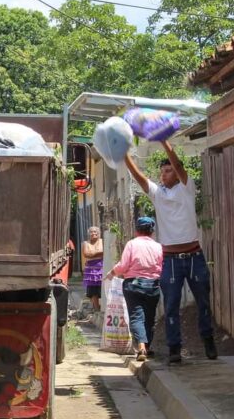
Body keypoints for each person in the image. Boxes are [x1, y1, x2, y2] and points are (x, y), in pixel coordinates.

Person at [124, 142, 217, 363]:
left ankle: (208, 339)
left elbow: (178, 164)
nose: (163, 174)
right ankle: (174, 348)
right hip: (171, 259)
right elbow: (138, 176)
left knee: (203, 301)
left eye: (168, 171)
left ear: (177, 173)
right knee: (171, 304)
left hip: (194, 256)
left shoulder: (186, 187)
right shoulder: (158, 194)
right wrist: (124, 155)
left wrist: (165, 142)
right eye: (162, 171)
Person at [105, 217, 163, 361]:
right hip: (153, 286)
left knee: (137, 316)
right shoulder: (158, 246)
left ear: (136, 230)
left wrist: (112, 273)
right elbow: (162, 267)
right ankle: (147, 347)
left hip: (133, 285)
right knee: (150, 318)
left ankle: (141, 347)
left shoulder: (132, 244)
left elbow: (124, 265)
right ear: (152, 231)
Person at [82, 226, 104, 312]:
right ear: (89, 234)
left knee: (102, 288)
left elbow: (104, 252)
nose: (93, 233)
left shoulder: (102, 241)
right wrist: (98, 253)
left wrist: (92, 254)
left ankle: (103, 308)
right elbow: (86, 254)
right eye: (91, 232)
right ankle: (97, 309)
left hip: (101, 269)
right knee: (93, 290)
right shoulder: (85, 243)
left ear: (99, 233)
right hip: (90, 271)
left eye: (95, 231)